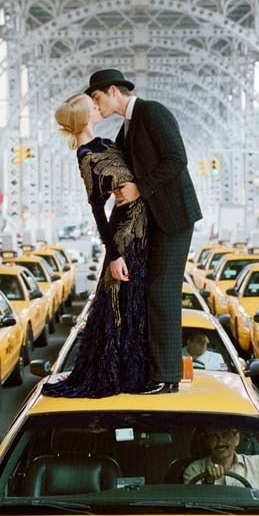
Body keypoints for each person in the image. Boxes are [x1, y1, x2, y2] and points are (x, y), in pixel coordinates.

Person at [87, 68, 202, 395]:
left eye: (97, 99)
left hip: (174, 217)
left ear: (112, 91)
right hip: (155, 220)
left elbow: (177, 159)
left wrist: (140, 188)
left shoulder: (152, 111)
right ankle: (152, 370)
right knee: (148, 289)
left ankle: (167, 378)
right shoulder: (127, 129)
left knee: (162, 291)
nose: (98, 107)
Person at [43, 91, 150, 397]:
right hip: (125, 235)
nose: (97, 107)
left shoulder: (105, 143)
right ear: (83, 116)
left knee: (133, 302)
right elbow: (96, 208)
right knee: (121, 303)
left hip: (140, 225)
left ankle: (134, 371)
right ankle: (120, 373)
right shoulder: (86, 155)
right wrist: (113, 255)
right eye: (92, 106)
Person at [183, 427, 259, 489]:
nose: (220, 442)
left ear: (236, 438)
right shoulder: (194, 470)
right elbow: (195, 508)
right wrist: (209, 482)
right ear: (208, 442)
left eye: (225, 435)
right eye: (214, 437)